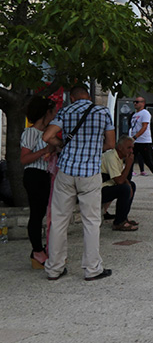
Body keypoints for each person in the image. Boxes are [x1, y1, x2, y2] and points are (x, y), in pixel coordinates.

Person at [41, 84, 115, 281]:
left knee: (59, 221)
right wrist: (93, 148)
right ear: (88, 96)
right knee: (91, 222)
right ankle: (92, 269)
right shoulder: (103, 112)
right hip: (90, 173)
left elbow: (47, 136)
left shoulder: (66, 111)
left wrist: (61, 144)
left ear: (72, 98)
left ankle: (54, 268)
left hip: (66, 172)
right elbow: (111, 143)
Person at [20, 94, 59, 268]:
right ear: (46, 113)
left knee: (42, 213)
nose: (55, 115)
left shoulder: (48, 133)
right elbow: (24, 158)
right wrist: (44, 150)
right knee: (36, 214)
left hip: (45, 175)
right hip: (34, 174)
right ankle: (36, 251)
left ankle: (40, 249)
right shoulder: (30, 132)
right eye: (53, 112)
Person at [101, 137, 138, 231]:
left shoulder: (119, 157)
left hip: (109, 185)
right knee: (124, 189)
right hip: (99, 189)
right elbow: (119, 181)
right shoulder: (111, 157)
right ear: (120, 147)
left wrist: (129, 184)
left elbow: (122, 177)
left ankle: (123, 217)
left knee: (131, 185)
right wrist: (128, 165)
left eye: (132, 148)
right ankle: (119, 222)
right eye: (129, 148)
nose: (131, 151)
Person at [130, 96, 153, 188]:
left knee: (148, 161)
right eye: (134, 102)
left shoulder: (145, 113)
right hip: (135, 141)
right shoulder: (134, 114)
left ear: (143, 103)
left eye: (137, 102)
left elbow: (144, 127)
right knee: (130, 159)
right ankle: (127, 179)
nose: (135, 103)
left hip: (144, 141)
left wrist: (135, 137)